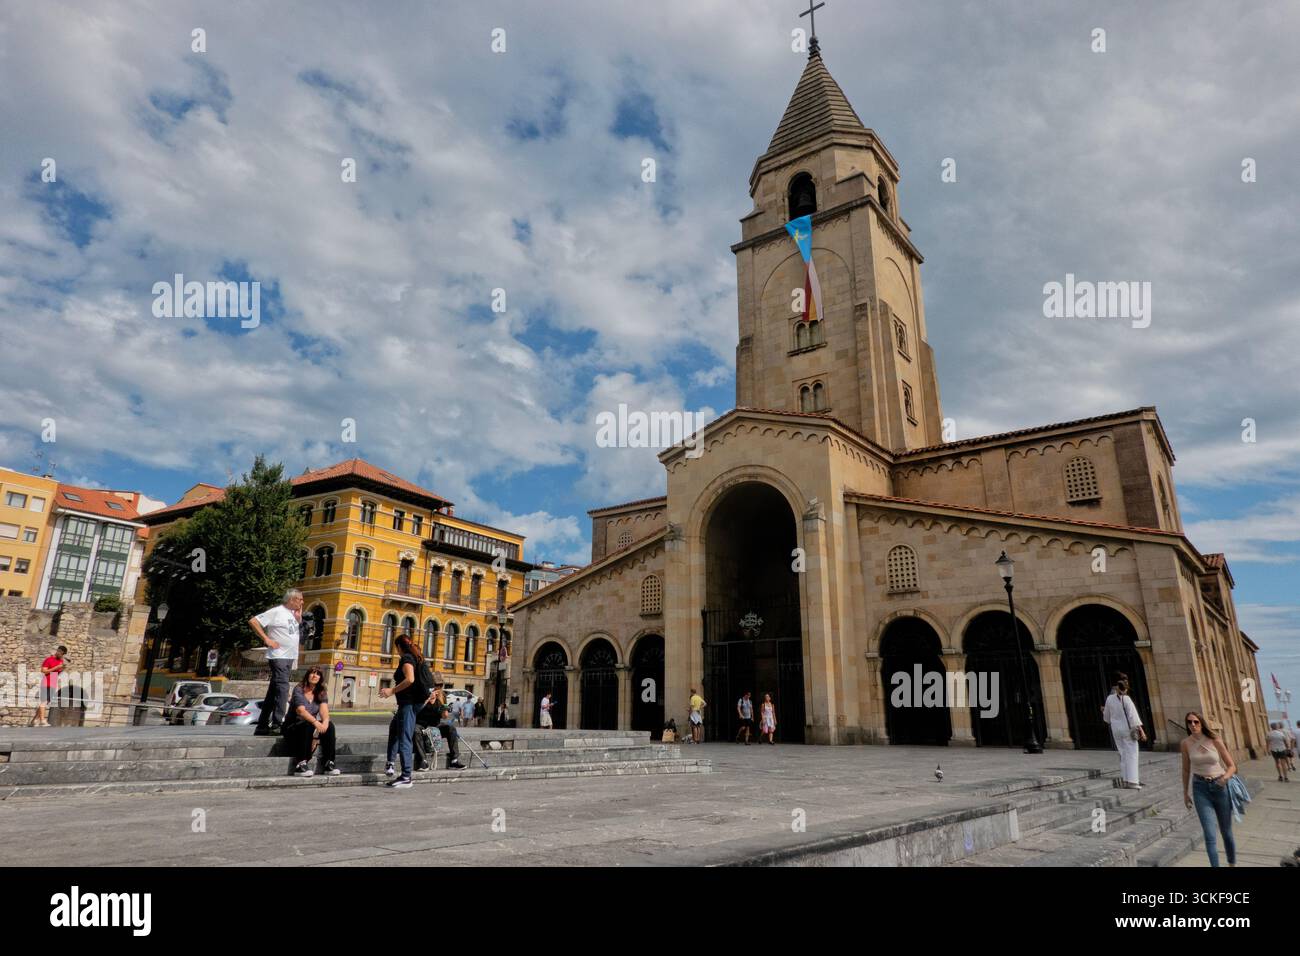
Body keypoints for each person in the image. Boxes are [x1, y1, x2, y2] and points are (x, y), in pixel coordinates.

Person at [1181, 711, 1238, 867]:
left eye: (1196, 722)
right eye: (1189, 722)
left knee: (1226, 833)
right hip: (1200, 788)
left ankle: (1232, 863)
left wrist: (1225, 778)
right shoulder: (1185, 743)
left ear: (1201, 722)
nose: (1193, 725)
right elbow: (1185, 770)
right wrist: (1185, 793)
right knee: (1209, 834)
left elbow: (1232, 766)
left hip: (1220, 786)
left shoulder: (1214, 739)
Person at [249, 589, 304, 736]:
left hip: (289, 657)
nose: (302, 602)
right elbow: (254, 621)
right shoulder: (277, 611)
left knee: (273, 691)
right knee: (283, 688)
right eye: (300, 599)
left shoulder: (293, 615)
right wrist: (266, 639)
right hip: (278, 656)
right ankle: (277, 724)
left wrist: (298, 618)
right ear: (291, 600)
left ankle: (261, 725)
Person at [380, 634, 427, 789]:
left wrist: (391, 690)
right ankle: (391, 762)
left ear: (398, 647)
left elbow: (410, 679)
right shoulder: (416, 657)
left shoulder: (406, 658)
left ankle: (406, 776)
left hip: (408, 703)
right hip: (412, 703)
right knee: (395, 729)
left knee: (405, 738)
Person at [283, 666, 340, 777]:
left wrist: (325, 723)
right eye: (312, 673)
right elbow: (301, 711)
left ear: (320, 677)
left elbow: (324, 711)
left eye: (318, 674)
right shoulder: (299, 689)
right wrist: (316, 723)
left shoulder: (321, 691)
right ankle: (300, 764)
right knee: (307, 724)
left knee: (330, 726)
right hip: (293, 726)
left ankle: (329, 763)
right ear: (307, 675)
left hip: (309, 726)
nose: (315, 676)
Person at [413, 675, 465, 771]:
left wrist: (445, 709)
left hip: (435, 725)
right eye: (436, 685)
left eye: (440, 685)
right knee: (416, 730)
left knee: (451, 728)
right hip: (421, 724)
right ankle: (423, 761)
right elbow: (415, 710)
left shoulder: (442, 695)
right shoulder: (422, 693)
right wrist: (428, 698)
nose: (438, 687)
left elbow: (444, 716)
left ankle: (454, 760)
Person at [1102, 677, 1145, 788]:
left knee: (1122, 753)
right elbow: (1133, 718)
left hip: (1116, 730)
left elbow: (1106, 717)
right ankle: (1133, 781)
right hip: (1128, 730)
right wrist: (1142, 731)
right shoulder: (1127, 699)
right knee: (1132, 753)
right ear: (1125, 689)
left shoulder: (1109, 699)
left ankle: (1125, 779)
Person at [34, 645, 67, 727]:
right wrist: (56, 667)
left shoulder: (61, 661)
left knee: (47, 702)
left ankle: (35, 720)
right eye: (60, 652)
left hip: (53, 683)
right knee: (44, 701)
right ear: (58, 651)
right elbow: (44, 671)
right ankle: (42, 720)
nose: (61, 655)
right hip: (46, 682)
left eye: (62, 654)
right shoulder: (49, 659)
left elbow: (57, 673)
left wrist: (62, 669)